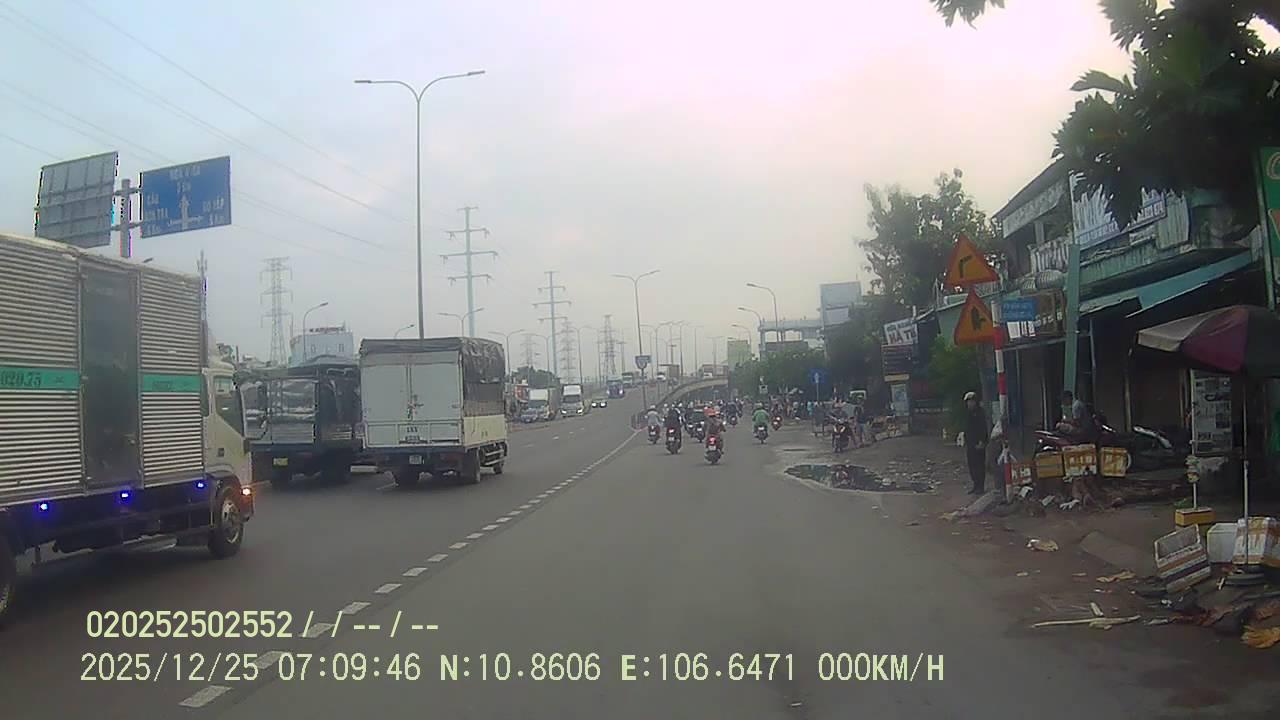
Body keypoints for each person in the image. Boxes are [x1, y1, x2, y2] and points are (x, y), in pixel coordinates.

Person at [964, 391, 989, 495]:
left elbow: (983, 428)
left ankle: (980, 487)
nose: (969, 404)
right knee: (972, 465)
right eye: (968, 402)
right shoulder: (968, 414)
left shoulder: (980, 413)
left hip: (979, 443)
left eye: (971, 401)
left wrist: (982, 441)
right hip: (970, 444)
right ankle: (975, 485)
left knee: (979, 466)